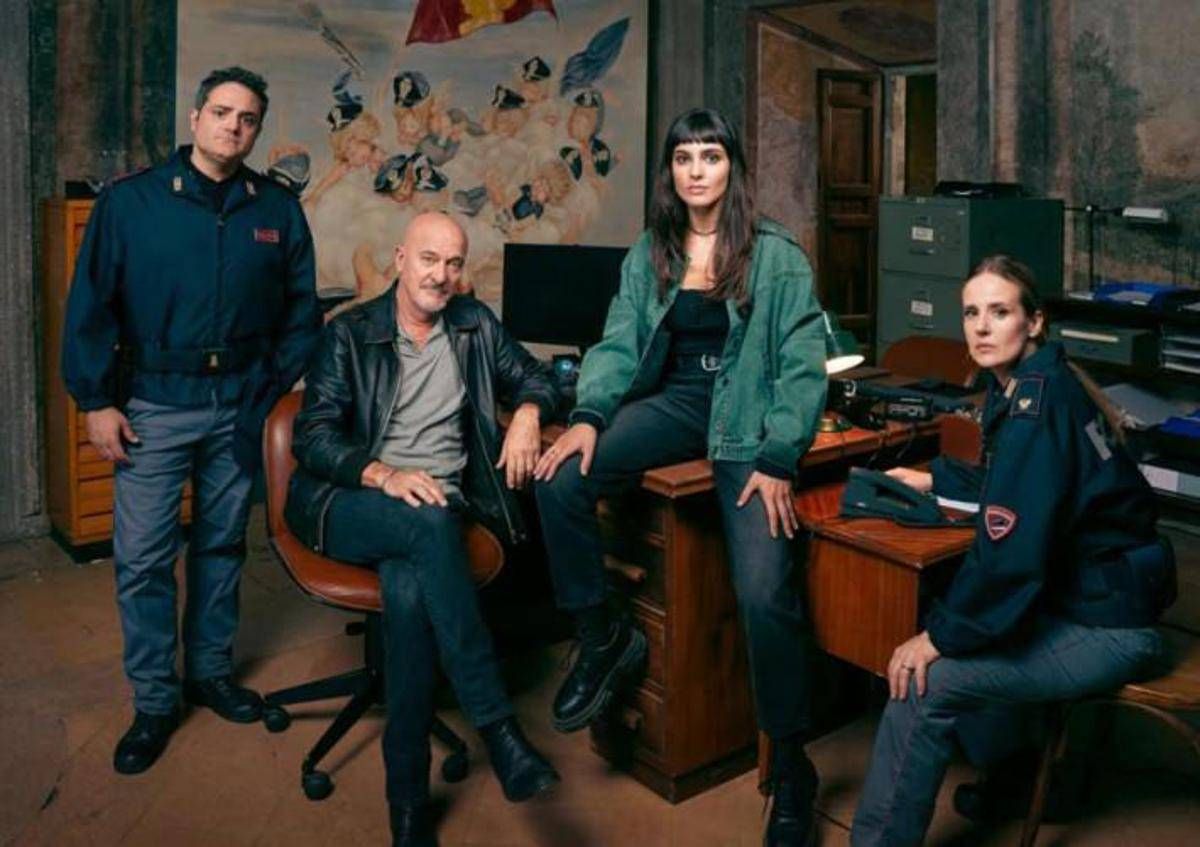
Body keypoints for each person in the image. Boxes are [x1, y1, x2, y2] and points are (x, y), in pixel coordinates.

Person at [532, 107, 828, 847]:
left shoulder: (776, 254)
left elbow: (802, 363)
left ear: (733, 167)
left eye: (711, 156)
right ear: (670, 171)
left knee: (764, 591)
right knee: (559, 478)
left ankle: (792, 767)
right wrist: (589, 415)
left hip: (747, 418)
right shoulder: (651, 250)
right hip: (674, 403)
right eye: (684, 157)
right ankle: (603, 637)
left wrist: (779, 455)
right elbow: (617, 341)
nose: (697, 170)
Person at [850, 255, 1176, 846]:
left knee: (924, 679)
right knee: (957, 614)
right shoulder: (1038, 384)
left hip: (1110, 626)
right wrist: (934, 477)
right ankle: (1016, 780)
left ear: (1035, 322)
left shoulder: (1035, 408)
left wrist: (937, 639)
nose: (980, 327)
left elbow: (1011, 562)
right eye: (971, 313)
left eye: (999, 312)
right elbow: (1019, 485)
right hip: (1105, 598)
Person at [61, 66, 321, 775]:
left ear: (256, 130)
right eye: (223, 112)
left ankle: (209, 671)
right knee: (144, 559)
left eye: (248, 118)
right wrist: (96, 400)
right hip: (153, 405)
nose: (234, 126)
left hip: (240, 403)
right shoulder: (131, 202)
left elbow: (303, 314)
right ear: (196, 116)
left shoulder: (276, 209)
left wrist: (268, 390)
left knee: (222, 546)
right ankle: (154, 702)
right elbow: (90, 306)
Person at [285, 212, 561, 847]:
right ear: (400, 260)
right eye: (429, 259)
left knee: (410, 596)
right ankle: (498, 727)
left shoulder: (474, 326)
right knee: (428, 522)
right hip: (348, 501)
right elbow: (312, 436)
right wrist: (383, 474)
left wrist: (526, 412)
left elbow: (537, 377)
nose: (442, 275)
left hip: (434, 510)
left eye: (454, 263)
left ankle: (407, 802)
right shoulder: (351, 333)